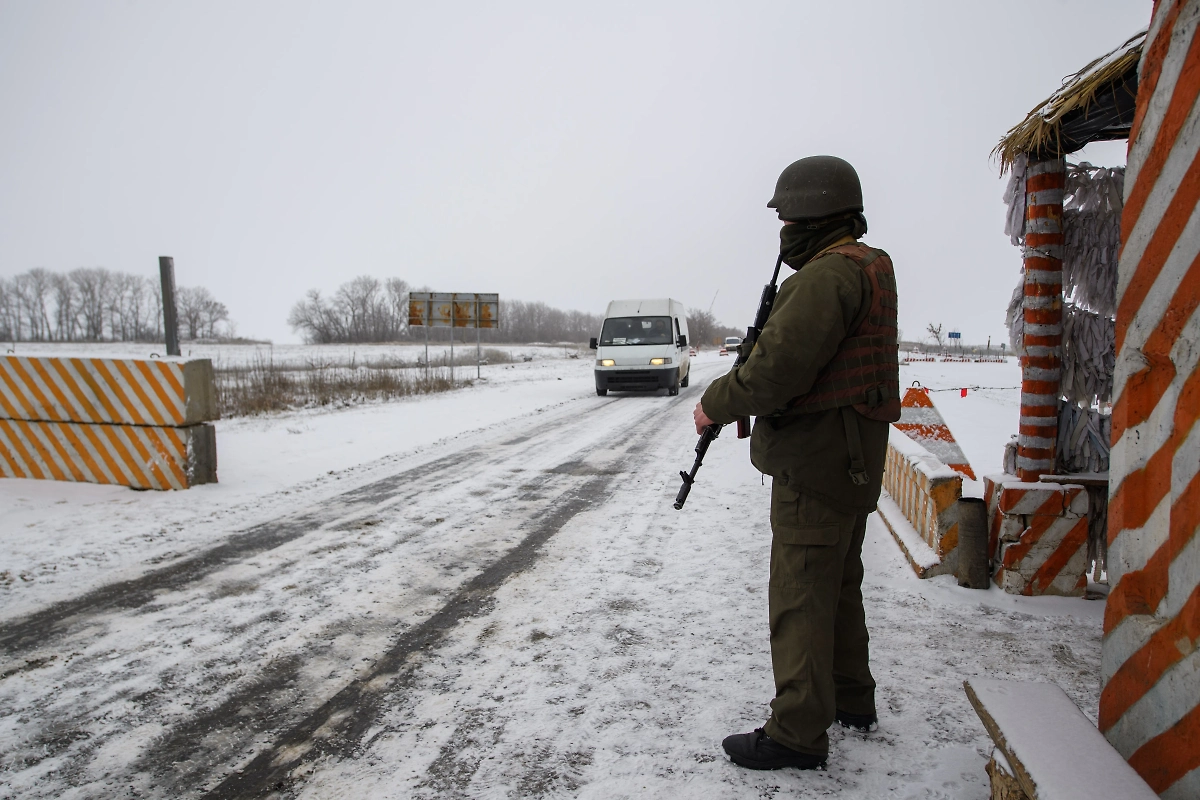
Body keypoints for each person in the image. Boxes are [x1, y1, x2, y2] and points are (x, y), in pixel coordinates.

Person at [693, 155, 900, 770]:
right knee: (838, 585)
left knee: (801, 594)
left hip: (817, 462)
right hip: (850, 458)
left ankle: (797, 732)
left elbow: (772, 374)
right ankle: (851, 700)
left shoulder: (821, 279)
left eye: (787, 214)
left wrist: (713, 406)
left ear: (813, 212)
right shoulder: (868, 265)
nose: (782, 227)